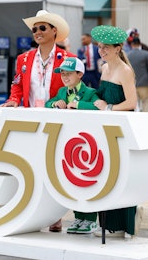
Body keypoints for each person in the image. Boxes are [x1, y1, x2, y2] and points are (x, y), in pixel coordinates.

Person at [0, 9, 75, 232]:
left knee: (55, 167)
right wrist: (14, 100)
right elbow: (17, 84)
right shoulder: (23, 59)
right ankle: (33, 211)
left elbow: (75, 88)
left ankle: (54, 215)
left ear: (54, 31)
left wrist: (68, 101)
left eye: (42, 28)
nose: (37, 32)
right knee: (32, 166)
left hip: (58, 122)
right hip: (31, 120)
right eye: (34, 29)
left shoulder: (69, 59)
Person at [90, 25, 143, 239]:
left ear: (118, 48)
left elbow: (131, 102)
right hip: (105, 129)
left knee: (121, 176)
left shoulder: (125, 71)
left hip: (121, 129)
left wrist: (109, 108)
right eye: (100, 47)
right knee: (105, 174)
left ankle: (124, 223)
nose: (101, 51)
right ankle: (107, 223)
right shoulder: (104, 68)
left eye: (106, 48)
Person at [45, 57, 100, 234]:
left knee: (86, 180)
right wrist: (55, 104)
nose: (65, 77)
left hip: (87, 144)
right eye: (62, 74)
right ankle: (78, 218)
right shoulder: (62, 91)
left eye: (68, 74)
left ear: (80, 74)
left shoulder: (90, 92)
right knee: (72, 181)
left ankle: (90, 219)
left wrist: (79, 105)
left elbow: (98, 108)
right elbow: (47, 103)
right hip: (68, 144)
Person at [127, 37, 148, 112]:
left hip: (133, 84)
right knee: (146, 102)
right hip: (145, 84)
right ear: (140, 44)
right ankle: (145, 119)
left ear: (132, 44)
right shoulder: (146, 54)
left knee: (135, 105)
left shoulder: (128, 55)